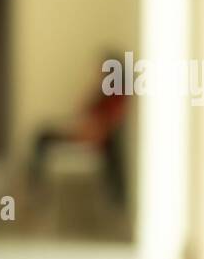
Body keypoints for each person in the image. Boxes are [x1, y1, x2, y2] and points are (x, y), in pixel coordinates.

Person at [27, 50, 130, 206]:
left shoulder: (117, 97)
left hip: (90, 140)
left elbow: (105, 126)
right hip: (83, 133)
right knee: (43, 133)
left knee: (44, 138)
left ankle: (36, 191)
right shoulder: (102, 93)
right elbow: (82, 110)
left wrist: (83, 132)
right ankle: (35, 186)